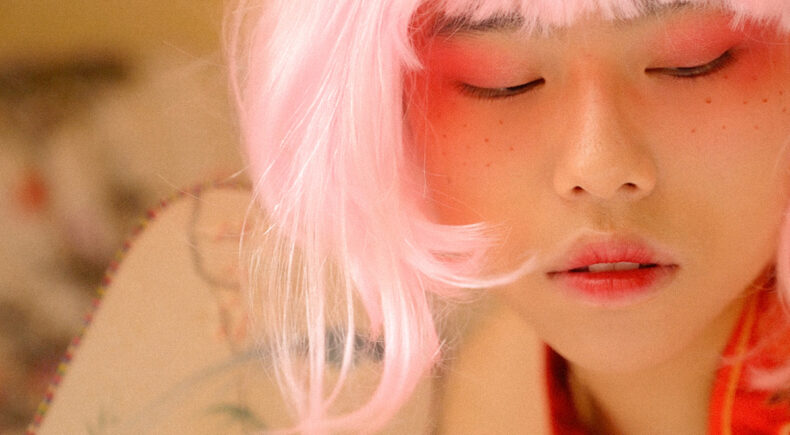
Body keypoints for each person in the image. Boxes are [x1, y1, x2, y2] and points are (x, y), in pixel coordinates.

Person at [30, 0, 790, 433]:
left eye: (694, 60)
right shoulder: (463, 391)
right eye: (503, 80)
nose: (598, 165)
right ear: (383, 105)